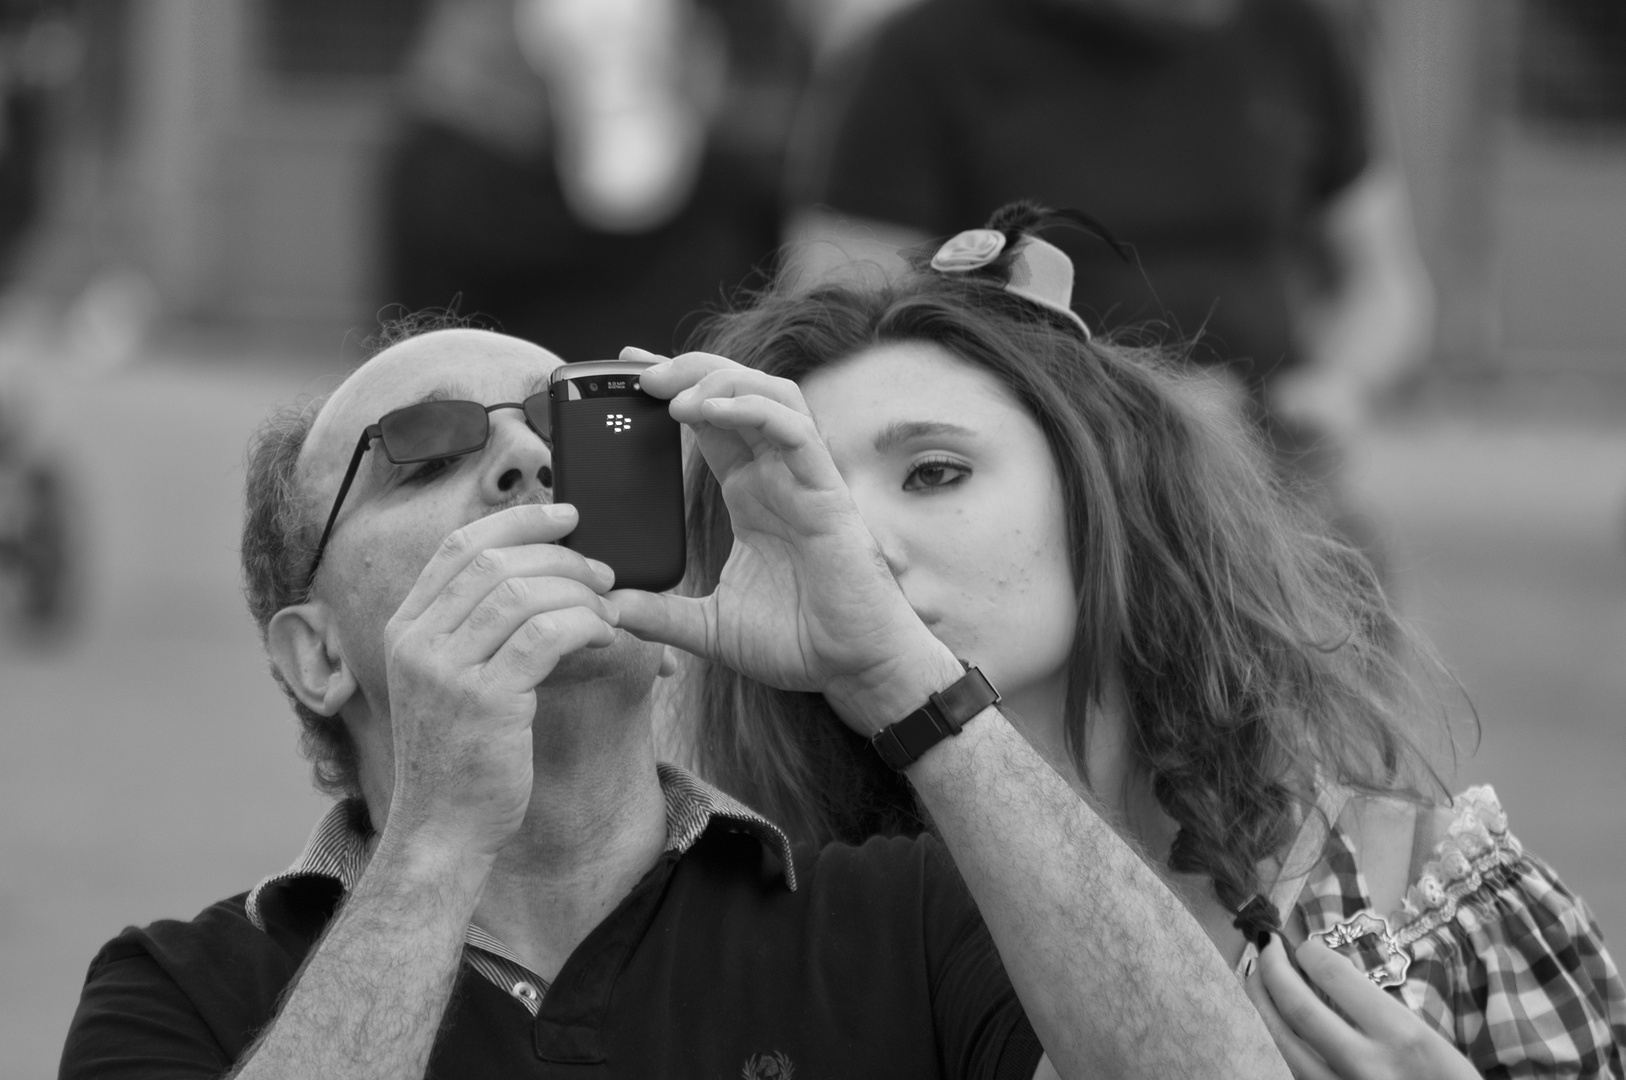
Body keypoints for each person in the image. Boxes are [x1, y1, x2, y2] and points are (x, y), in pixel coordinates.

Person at [57, 320, 1290, 1079]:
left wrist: (897, 676)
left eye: (576, 430)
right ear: (316, 658)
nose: (530, 460)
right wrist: (439, 838)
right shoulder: (184, 993)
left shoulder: (906, 920)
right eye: (425, 450)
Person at [675, 204, 1626, 1079]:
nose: (861, 549)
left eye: (934, 472)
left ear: (1108, 493)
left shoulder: (1433, 906)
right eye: (813, 510)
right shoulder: (798, 945)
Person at [786, 0, 1433, 568]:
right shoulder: (920, 54)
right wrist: (1135, 416)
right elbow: (843, 335)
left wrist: (1342, 387)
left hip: (1269, 487)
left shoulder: (1300, 29)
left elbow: (1386, 282)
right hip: (1052, 506)